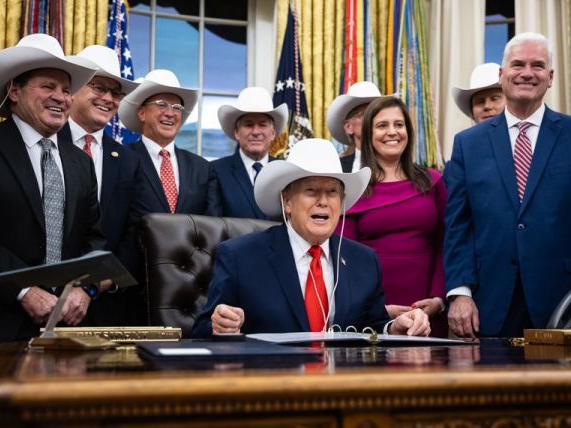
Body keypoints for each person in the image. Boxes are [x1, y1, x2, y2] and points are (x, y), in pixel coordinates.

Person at [192, 138, 430, 337]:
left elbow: (372, 327)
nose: (323, 201)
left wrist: (395, 328)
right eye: (311, 191)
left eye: (332, 192)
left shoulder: (364, 261)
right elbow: (201, 331)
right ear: (287, 202)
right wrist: (219, 325)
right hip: (272, 387)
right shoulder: (240, 256)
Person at [0, 34, 105, 356]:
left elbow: (95, 241)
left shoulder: (81, 163)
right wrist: (23, 290)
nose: (60, 97)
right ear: (13, 91)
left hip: (67, 333)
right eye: (48, 86)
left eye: (66, 90)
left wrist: (85, 290)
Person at [444, 32, 571, 337]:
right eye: (518, 64)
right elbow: (457, 225)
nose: (527, 73)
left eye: (538, 65)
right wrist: (460, 292)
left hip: (562, 302)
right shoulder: (467, 144)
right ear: (502, 75)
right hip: (489, 305)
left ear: (550, 77)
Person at [338, 96, 448, 336]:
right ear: (368, 134)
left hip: (427, 308)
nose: (392, 132)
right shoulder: (352, 188)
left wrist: (438, 299)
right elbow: (344, 258)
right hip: (372, 310)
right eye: (382, 125)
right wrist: (375, 309)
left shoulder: (434, 181)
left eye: (399, 124)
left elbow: (446, 245)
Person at [59, 45, 150, 326]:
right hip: (36, 302)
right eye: (99, 87)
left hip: (105, 308)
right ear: (73, 90)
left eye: (116, 93)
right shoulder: (44, 142)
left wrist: (92, 288)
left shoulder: (127, 160)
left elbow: (133, 235)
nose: (108, 99)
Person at [118, 69, 221, 216]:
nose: (170, 113)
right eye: (161, 104)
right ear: (142, 113)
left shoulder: (202, 168)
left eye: (177, 108)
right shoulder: (122, 160)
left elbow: (212, 226)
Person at [213, 87, 287, 219]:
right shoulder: (216, 171)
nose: (256, 132)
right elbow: (212, 228)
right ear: (236, 132)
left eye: (262, 125)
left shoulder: (285, 172)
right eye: (248, 125)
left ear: (273, 133)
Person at [326, 81, 382, 172]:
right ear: (348, 127)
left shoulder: (403, 167)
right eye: (366, 114)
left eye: (377, 113)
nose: (374, 119)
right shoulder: (336, 169)